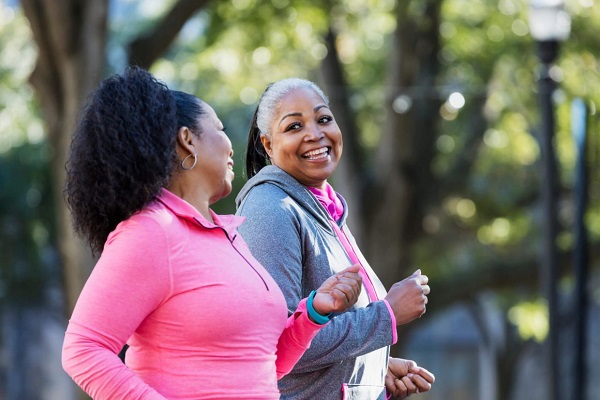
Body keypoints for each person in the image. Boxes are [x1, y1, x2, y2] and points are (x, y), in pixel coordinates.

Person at [61, 67, 364, 400]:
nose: (232, 147)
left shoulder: (229, 236)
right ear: (187, 140)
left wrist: (314, 312)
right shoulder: (151, 232)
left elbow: (263, 363)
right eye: (219, 129)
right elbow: (83, 349)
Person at [235, 78, 436, 399]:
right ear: (268, 145)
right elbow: (277, 344)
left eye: (323, 119)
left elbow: (324, 336)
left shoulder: (323, 207)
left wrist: (372, 366)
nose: (315, 133)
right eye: (294, 126)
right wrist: (386, 315)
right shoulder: (271, 208)